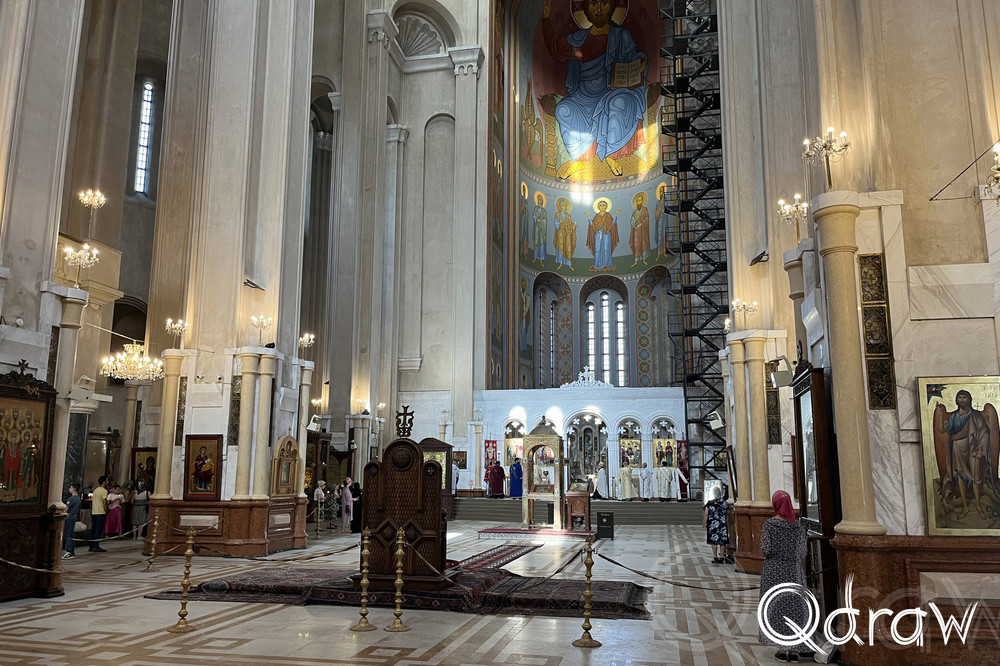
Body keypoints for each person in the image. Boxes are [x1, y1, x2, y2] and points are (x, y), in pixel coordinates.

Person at [541, 0, 648, 179]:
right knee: (563, 109)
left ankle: (611, 154)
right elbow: (556, 48)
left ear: (612, 7)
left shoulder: (622, 36)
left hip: (614, 91)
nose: (598, 9)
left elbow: (634, 59)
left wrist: (641, 62)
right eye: (592, 4)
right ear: (585, 10)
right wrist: (545, 19)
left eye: (604, 3)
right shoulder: (579, 39)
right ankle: (579, 159)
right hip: (584, 96)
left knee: (619, 103)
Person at [759, 490, 808, 662]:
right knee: (795, 608)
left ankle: (781, 648)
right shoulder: (798, 527)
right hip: (794, 570)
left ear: (776, 504)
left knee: (776, 606)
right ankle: (793, 650)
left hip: (773, 570)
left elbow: (765, 549)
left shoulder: (769, 525)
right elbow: (802, 551)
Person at [933, 389, 997, 520]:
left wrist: (981, 450)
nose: (962, 400)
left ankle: (978, 505)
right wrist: (939, 414)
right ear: (956, 400)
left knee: (975, 477)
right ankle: (965, 506)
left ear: (969, 400)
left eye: (964, 397)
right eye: (960, 397)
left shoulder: (976, 416)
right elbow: (941, 430)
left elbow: (985, 432)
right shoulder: (954, 417)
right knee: (960, 477)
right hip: (957, 449)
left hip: (973, 449)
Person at [585, 200, 619, 271]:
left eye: (604, 205)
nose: (602, 207)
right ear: (598, 207)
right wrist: (588, 217)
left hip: (606, 234)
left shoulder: (608, 215)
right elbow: (592, 224)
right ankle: (597, 264)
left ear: (606, 207)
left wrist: (616, 215)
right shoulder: (597, 216)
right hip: (598, 234)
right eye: (600, 205)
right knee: (597, 249)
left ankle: (607, 264)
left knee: (606, 249)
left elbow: (612, 223)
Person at [703, 485, 730, 564]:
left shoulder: (710, 503)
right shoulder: (724, 503)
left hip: (713, 525)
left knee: (713, 541)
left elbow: (706, 513)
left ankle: (715, 557)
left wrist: (705, 522)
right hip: (722, 524)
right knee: (722, 541)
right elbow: (728, 512)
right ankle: (722, 557)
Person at [552, 198, 576, 270]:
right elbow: (555, 223)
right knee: (560, 247)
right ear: (560, 206)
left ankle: (568, 264)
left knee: (568, 248)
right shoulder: (558, 215)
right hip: (560, 233)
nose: (564, 207)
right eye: (562, 205)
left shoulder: (568, 216)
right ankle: (560, 263)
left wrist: (573, 226)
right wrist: (559, 223)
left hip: (567, 234)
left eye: (565, 206)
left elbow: (570, 225)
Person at [628, 192, 650, 267]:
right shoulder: (635, 212)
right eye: (637, 201)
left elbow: (647, 218)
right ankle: (636, 261)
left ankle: (644, 259)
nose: (639, 202)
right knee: (636, 245)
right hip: (636, 231)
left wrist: (642, 223)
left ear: (642, 201)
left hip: (643, 230)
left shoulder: (645, 210)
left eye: (640, 200)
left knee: (643, 244)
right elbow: (631, 222)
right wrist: (635, 219)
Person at [89, 476, 108, 552]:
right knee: (98, 530)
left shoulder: (95, 490)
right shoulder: (104, 491)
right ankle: (95, 546)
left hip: (94, 512)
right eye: (106, 481)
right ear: (104, 482)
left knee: (93, 529)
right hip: (101, 512)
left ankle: (91, 546)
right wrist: (107, 511)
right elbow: (105, 502)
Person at [63, 483, 81, 559]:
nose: (69, 489)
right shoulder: (78, 498)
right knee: (71, 533)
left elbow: (66, 508)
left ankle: (69, 551)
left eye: (70, 487)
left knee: (68, 533)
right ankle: (72, 550)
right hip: (74, 516)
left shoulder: (71, 499)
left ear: (74, 489)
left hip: (69, 516)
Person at [532, 192, 547, 265]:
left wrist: (541, 221)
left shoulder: (543, 210)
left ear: (542, 201)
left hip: (542, 230)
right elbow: (533, 216)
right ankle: (535, 257)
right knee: (536, 242)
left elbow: (545, 220)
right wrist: (536, 219)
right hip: (536, 229)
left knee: (541, 243)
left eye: (540, 200)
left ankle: (541, 259)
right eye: (538, 199)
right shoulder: (535, 209)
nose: (538, 201)